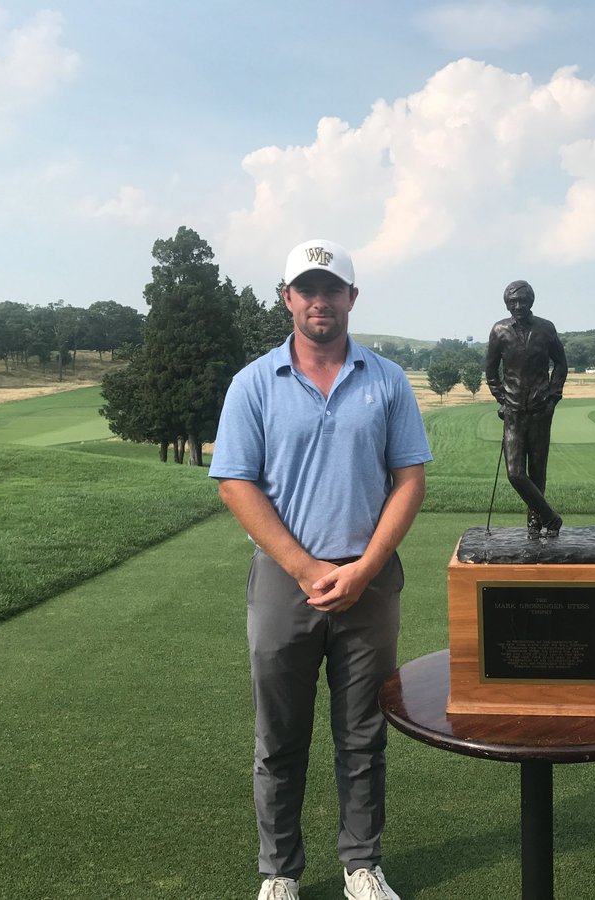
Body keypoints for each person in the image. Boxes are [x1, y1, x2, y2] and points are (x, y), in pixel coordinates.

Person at [209, 238, 431, 900]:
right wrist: (305, 568)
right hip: (285, 581)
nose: (319, 300)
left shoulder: (387, 380)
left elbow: (410, 480)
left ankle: (361, 862)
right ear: (286, 299)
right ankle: (280, 872)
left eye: (331, 289)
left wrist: (365, 568)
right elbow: (236, 483)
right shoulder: (254, 383)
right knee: (278, 737)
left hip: (370, 579)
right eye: (305, 289)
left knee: (362, 734)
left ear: (351, 299)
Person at [484, 279, 568, 535]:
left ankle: (535, 525)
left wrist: (553, 399)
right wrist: (503, 400)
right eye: (513, 301)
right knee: (516, 474)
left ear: (531, 301)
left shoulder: (546, 329)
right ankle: (551, 517)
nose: (518, 305)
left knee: (538, 472)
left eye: (522, 300)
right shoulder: (499, 330)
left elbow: (561, 365)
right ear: (507, 304)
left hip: (541, 411)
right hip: (514, 413)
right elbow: (490, 372)